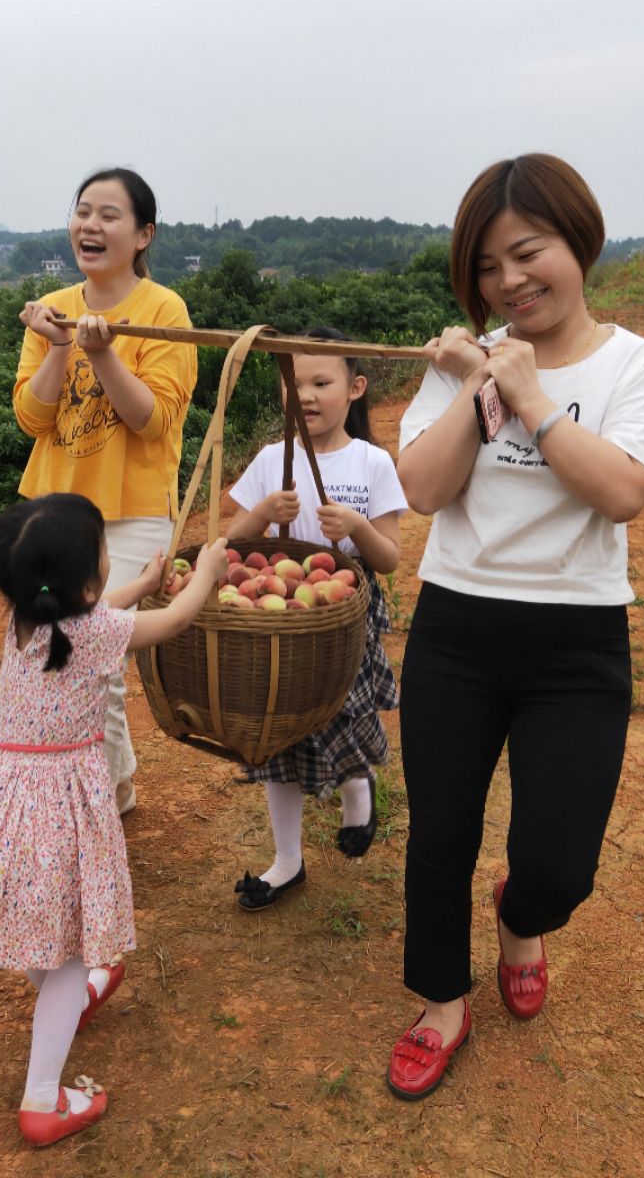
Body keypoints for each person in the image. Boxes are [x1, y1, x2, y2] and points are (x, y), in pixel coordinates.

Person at [387, 153, 644, 1099]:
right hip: (456, 629)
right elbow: (425, 491)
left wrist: (531, 396)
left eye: (528, 252)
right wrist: (478, 387)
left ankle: (524, 916)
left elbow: (625, 491)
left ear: (576, 243)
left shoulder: (635, 363)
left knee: (559, 860)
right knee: (440, 836)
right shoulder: (464, 362)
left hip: (576, 640)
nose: (509, 281)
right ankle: (440, 1001)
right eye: (486, 267)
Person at [0, 494, 227, 1146]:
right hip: (58, 810)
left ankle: (76, 994)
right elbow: (171, 622)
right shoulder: (95, 634)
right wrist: (203, 575)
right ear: (87, 583)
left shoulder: (25, 621)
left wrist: (139, 582)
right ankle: (42, 1099)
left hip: (7, 803)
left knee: (38, 928)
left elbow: (91, 610)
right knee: (65, 955)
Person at [13, 168, 198, 818]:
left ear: (144, 233)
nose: (90, 225)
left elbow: (152, 419)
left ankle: (107, 800)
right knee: (50, 653)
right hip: (53, 513)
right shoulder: (52, 307)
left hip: (131, 513)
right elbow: (32, 419)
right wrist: (60, 345)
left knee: (98, 663)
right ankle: (101, 788)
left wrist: (106, 354)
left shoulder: (163, 311)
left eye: (109, 215)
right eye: (82, 211)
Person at [220, 327, 406, 910]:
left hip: (346, 616)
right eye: (294, 382)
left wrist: (356, 528)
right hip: (278, 622)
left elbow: (390, 560)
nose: (305, 394)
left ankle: (357, 791)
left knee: (342, 719)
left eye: (320, 382)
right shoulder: (273, 459)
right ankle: (287, 861)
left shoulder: (372, 462)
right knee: (279, 734)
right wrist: (261, 514)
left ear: (354, 387)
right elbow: (233, 543)